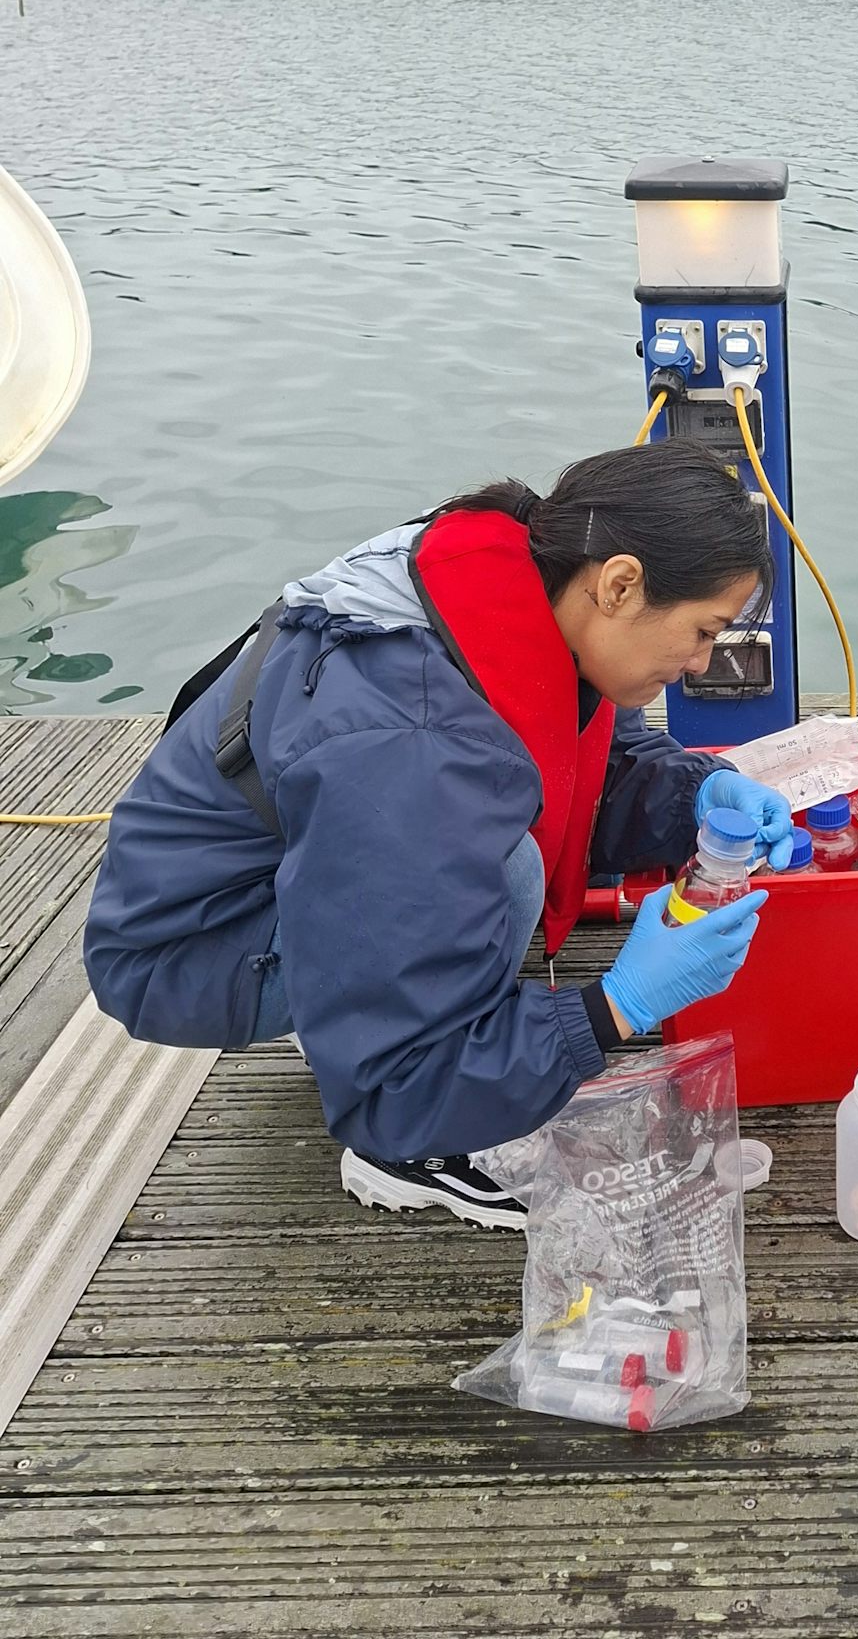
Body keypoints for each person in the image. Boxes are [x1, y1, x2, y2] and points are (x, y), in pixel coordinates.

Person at [85, 442, 794, 1230]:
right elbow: (397, 1079)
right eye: (703, 631)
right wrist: (614, 1010)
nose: (701, 663)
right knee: (509, 874)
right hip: (185, 947)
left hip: (280, 872)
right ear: (620, 583)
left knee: (481, 869)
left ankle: (343, 1008)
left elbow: (579, 762)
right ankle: (405, 1156)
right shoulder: (414, 742)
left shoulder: (523, 579)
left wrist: (697, 794)